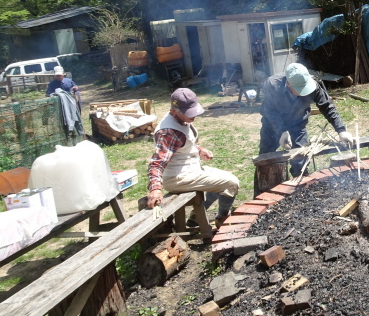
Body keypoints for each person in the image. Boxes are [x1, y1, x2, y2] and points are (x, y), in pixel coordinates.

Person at [147, 88, 240, 228]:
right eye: (189, 113)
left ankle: (196, 218)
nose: (193, 116)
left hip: (190, 171)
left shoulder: (180, 119)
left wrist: (200, 149)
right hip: (177, 178)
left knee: (224, 178)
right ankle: (222, 219)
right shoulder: (167, 132)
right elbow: (157, 163)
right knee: (231, 183)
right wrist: (155, 189)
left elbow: (184, 143)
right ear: (174, 110)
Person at [258, 63, 354, 179]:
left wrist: (341, 130)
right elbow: (269, 111)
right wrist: (281, 131)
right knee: (265, 163)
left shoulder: (313, 85)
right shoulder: (272, 85)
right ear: (288, 84)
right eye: (299, 89)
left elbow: (327, 106)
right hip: (272, 127)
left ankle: (299, 191)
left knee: (301, 163)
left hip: (298, 125)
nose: (304, 92)